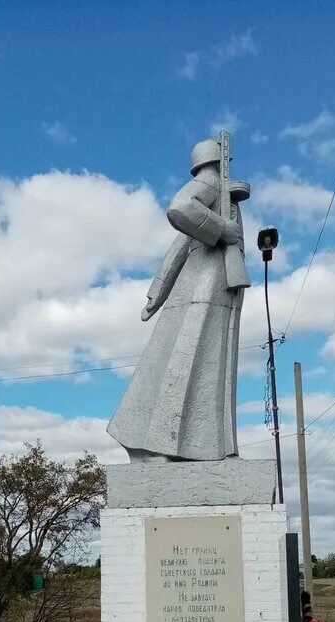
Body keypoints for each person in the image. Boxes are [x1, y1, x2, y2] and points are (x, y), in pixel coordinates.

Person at [107, 138, 250, 461]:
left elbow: (179, 246)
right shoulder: (210, 184)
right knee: (189, 361)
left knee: (200, 363)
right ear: (221, 159)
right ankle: (167, 446)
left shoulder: (219, 191)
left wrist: (157, 292)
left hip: (207, 288)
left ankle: (204, 449)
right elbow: (180, 208)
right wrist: (223, 229)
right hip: (203, 287)